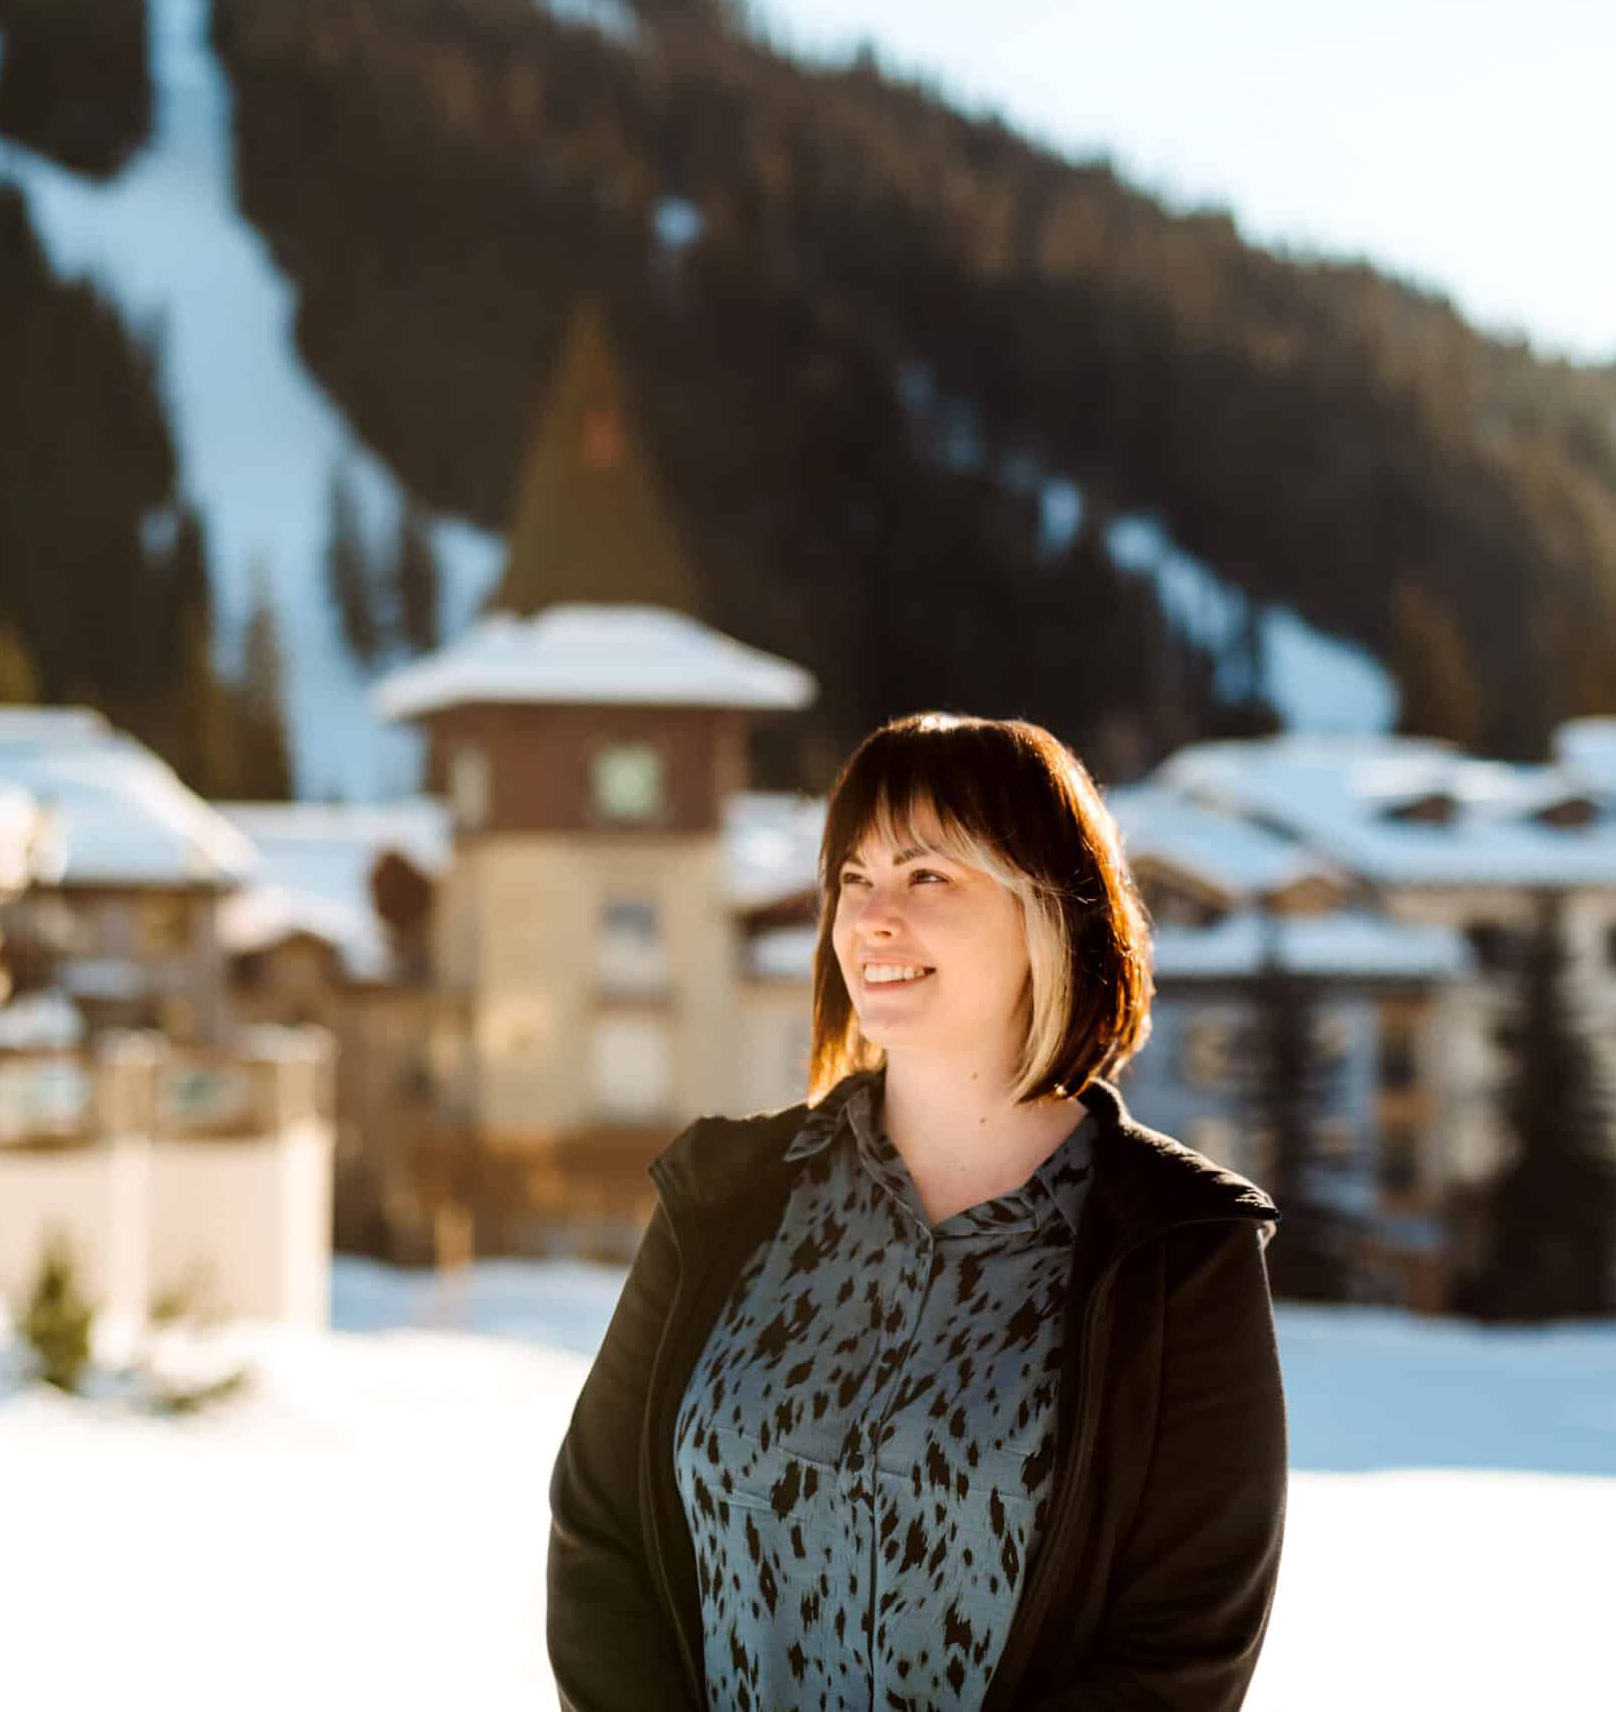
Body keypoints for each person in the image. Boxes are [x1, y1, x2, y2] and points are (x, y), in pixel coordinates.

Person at [548, 712, 1287, 1712]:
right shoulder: (725, 1195)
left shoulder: (1174, 1250)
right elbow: (602, 1539)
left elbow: (1179, 1648)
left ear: (1049, 911)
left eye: (927, 875)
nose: (872, 916)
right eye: (853, 879)